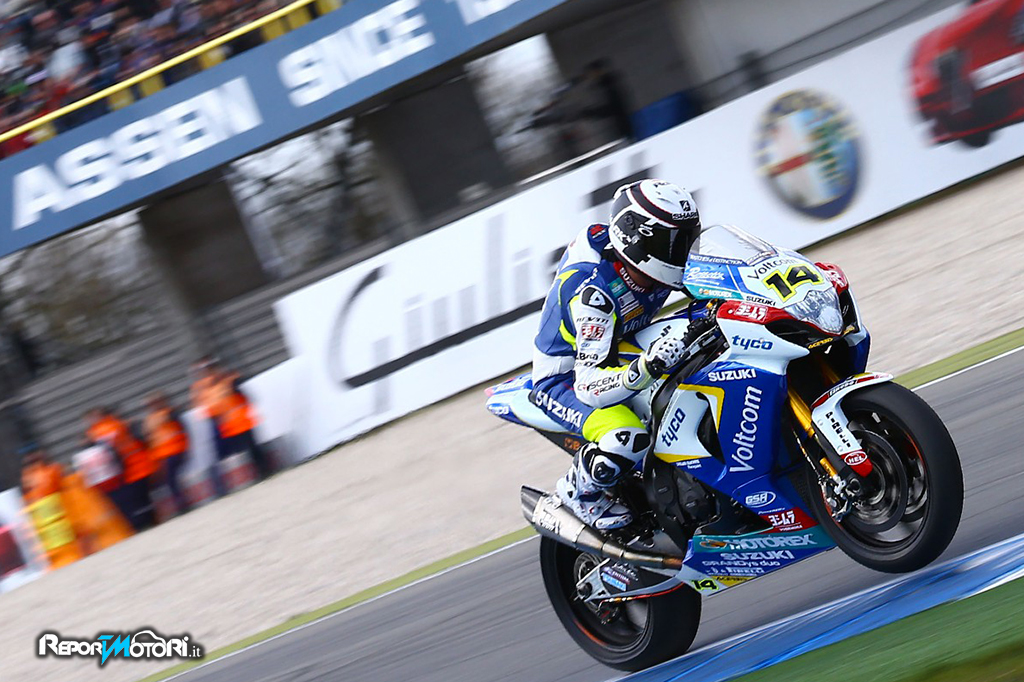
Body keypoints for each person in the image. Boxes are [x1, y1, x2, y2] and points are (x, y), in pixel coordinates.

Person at [531, 179, 715, 529]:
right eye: (674, 243)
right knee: (627, 438)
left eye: (688, 239)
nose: (684, 252)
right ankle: (580, 492)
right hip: (568, 378)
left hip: (620, 344)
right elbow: (589, 386)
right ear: (639, 240)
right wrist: (648, 366)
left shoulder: (641, 264)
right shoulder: (594, 296)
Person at [85, 407, 156, 530]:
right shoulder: (115, 425)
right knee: (140, 497)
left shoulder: (103, 430)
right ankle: (148, 520)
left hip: (124, 469)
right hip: (129, 467)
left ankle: (143, 522)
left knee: (135, 498)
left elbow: (110, 449)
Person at [143, 392, 191, 514]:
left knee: (171, 480)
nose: (153, 405)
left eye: (155, 402)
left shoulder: (170, 412)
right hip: (162, 455)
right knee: (170, 481)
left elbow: (183, 429)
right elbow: (149, 437)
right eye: (150, 404)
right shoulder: (150, 419)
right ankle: (181, 503)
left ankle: (182, 504)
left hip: (174, 450)